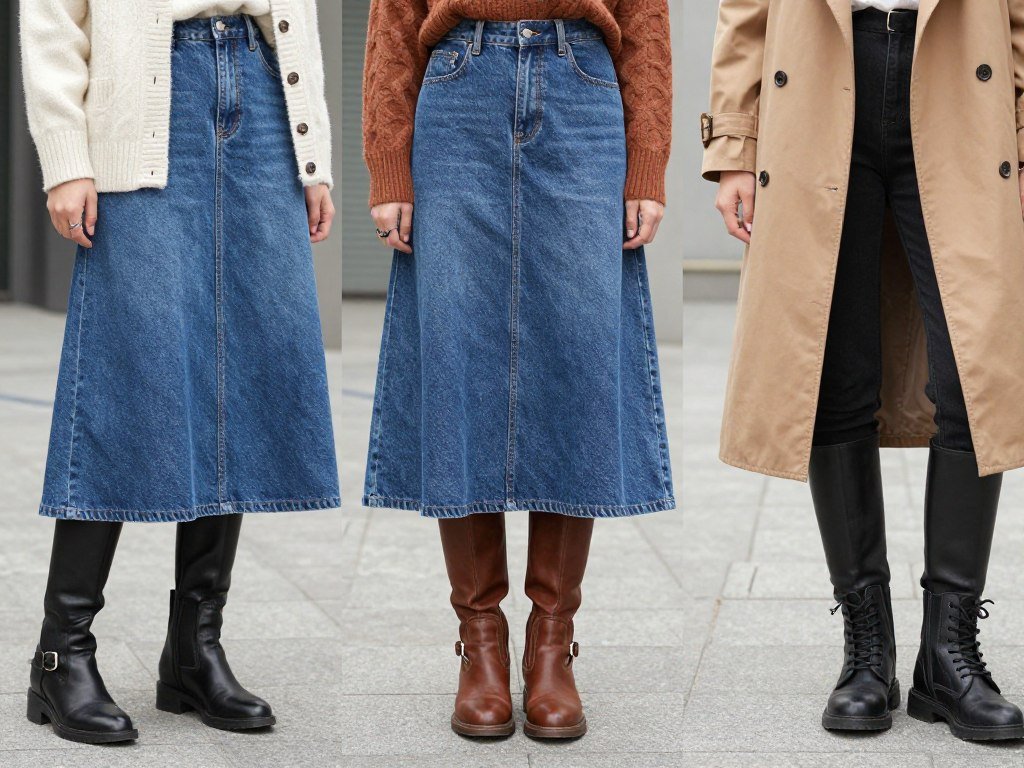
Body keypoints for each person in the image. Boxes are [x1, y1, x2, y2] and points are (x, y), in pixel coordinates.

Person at [703, 0, 1024, 741]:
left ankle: (949, 655)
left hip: (959, 93)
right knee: (830, 371)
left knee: (976, 378)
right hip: (817, 89)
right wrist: (735, 149)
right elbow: (744, 12)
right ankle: (867, 653)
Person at [20, 0, 338, 744]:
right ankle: (60, 650)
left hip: (260, 99)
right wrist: (68, 159)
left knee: (236, 378)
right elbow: (51, 18)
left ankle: (194, 648)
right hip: (146, 100)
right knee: (125, 375)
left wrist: (311, 150)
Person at [361, 0, 674, 740]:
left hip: (584, 88)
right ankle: (481, 642)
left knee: (579, 362)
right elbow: (393, 16)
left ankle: (552, 642)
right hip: (458, 89)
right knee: (455, 355)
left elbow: (648, 16)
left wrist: (648, 158)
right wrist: (388, 163)